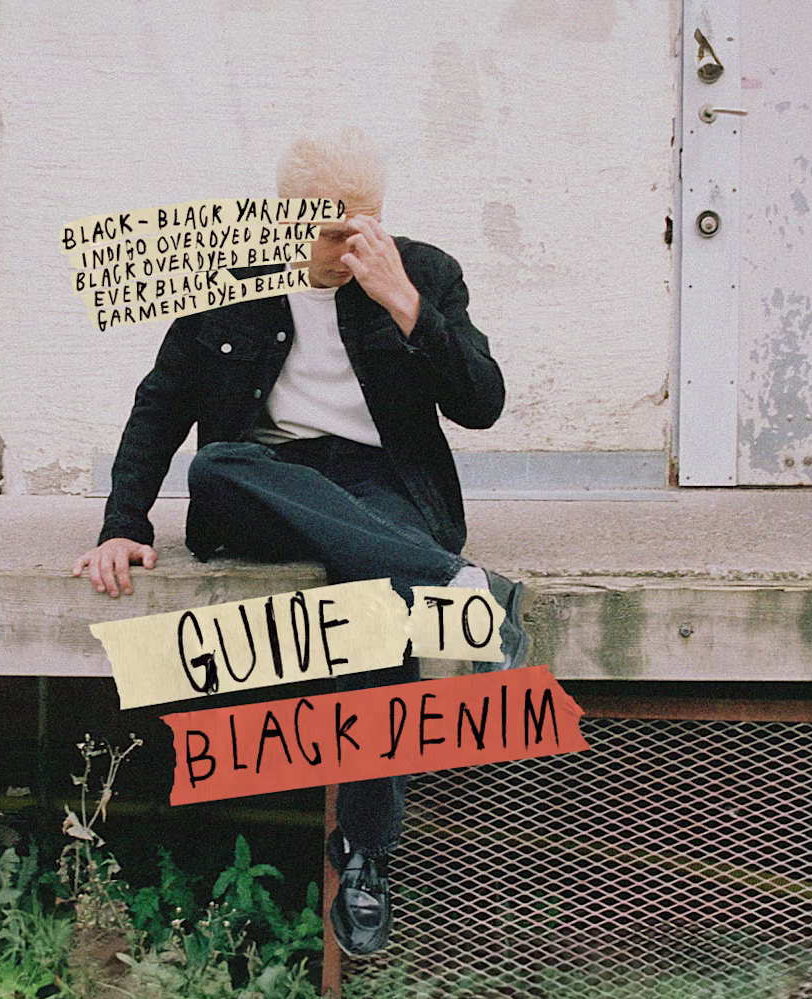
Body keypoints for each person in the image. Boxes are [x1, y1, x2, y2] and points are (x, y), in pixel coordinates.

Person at [71, 127, 527, 955]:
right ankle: (456, 585)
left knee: (373, 610)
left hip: (380, 485)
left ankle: (365, 855)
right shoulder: (226, 276)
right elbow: (160, 405)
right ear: (283, 219)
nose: (354, 248)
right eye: (333, 232)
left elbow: (484, 403)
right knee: (216, 462)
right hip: (266, 481)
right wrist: (122, 524)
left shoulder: (424, 273)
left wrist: (407, 306)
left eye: (369, 225)